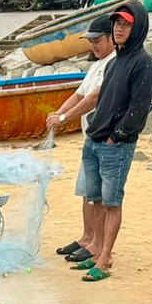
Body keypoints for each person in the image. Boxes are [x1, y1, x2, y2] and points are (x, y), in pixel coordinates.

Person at [70, 4, 152, 282]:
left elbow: (138, 109)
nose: (118, 29)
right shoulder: (115, 62)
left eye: (125, 25)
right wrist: (98, 132)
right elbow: (103, 100)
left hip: (115, 145)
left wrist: (115, 136)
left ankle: (105, 259)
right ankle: (95, 250)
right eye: (116, 24)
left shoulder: (143, 64)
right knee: (94, 198)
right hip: (95, 139)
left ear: (138, 28)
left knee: (111, 203)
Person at [46, 21, 115, 266]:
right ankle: (87, 237)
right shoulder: (97, 65)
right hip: (90, 137)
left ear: (110, 38)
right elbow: (79, 94)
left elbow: (94, 98)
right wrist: (58, 113)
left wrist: (66, 117)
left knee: (99, 195)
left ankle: (97, 243)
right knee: (86, 191)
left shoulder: (113, 64)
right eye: (91, 42)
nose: (93, 46)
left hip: (105, 138)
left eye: (98, 41)